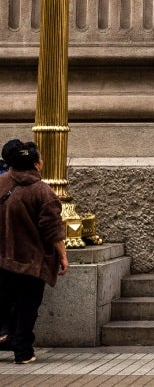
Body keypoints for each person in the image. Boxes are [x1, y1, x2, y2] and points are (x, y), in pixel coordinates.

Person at [0, 140, 69, 364]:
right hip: (31, 261)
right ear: (36, 164)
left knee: (4, 302)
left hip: (2, 258)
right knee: (27, 307)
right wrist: (63, 255)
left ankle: (5, 337)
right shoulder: (43, 192)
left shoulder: (1, 183)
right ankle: (23, 352)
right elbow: (52, 230)